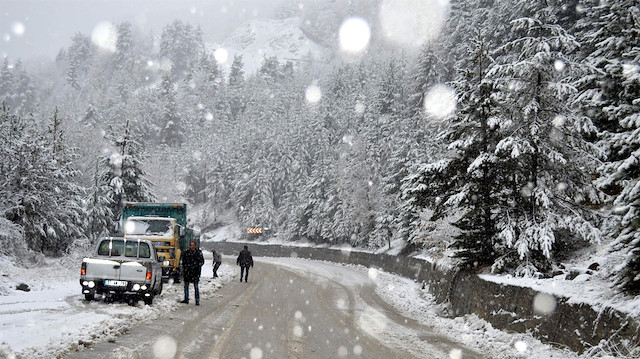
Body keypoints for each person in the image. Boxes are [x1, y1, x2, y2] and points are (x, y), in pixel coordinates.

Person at [180, 241, 204, 305]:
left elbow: (202, 262)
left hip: (195, 272)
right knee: (186, 286)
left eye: (193, 245)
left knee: (196, 287)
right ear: (189, 246)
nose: (192, 246)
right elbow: (183, 262)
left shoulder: (198, 253)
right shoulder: (186, 253)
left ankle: (197, 300)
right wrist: (185, 269)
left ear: (195, 246)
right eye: (191, 245)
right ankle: (186, 299)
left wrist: (196, 266)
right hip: (187, 272)